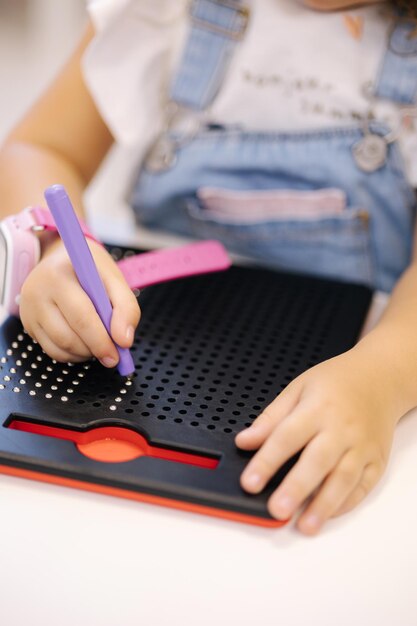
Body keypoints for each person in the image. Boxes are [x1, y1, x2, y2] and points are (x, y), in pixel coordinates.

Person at [0, 0, 416, 535]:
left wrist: (381, 378)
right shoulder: (164, 12)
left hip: (364, 353)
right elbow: (41, 145)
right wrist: (61, 247)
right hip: (158, 357)